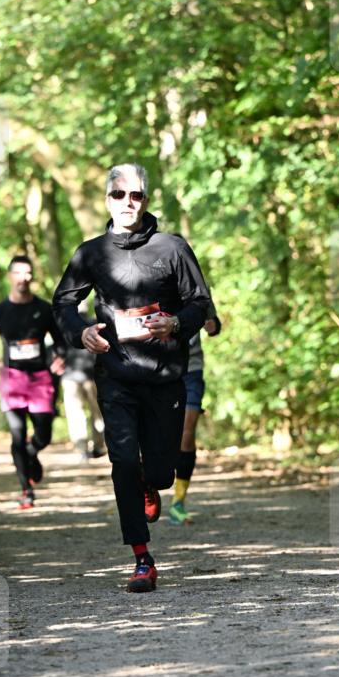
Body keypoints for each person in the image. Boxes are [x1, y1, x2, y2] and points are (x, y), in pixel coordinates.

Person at [53, 162, 210, 593]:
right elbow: (63, 304)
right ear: (107, 200)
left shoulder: (172, 248)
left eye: (136, 195)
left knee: (159, 472)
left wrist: (176, 324)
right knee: (122, 460)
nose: (128, 202)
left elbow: (200, 303)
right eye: (119, 195)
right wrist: (79, 331)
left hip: (164, 377)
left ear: (146, 199)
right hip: (117, 375)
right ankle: (142, 559)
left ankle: (150, 483)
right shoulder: (91, 254)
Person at [0, 255, 65, 509]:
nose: (23, 278)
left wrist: (60, 357)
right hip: (11, 380)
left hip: (39, 380)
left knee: (43, 435)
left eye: (28, 273)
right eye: (18, 273)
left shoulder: (44, 309)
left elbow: (60, 341)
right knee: (17, 436)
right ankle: (26, 489)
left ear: (32, 276)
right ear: (10, 276)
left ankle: (31, 454)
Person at [169, 301, 221, 525]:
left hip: (192, 368)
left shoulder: (196, 281)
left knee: (187, 434)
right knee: (155, 434)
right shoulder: (149, 273)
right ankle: (147, 489)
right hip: (158, 368)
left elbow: (213, 322)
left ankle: (178, 503)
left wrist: (212, 325)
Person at [61, 344, 106, 460]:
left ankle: (86, 449)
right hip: (81, 374)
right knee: (96, 413)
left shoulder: (65, 326)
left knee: (87, 414)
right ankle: (96, 447)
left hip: (81, 374)